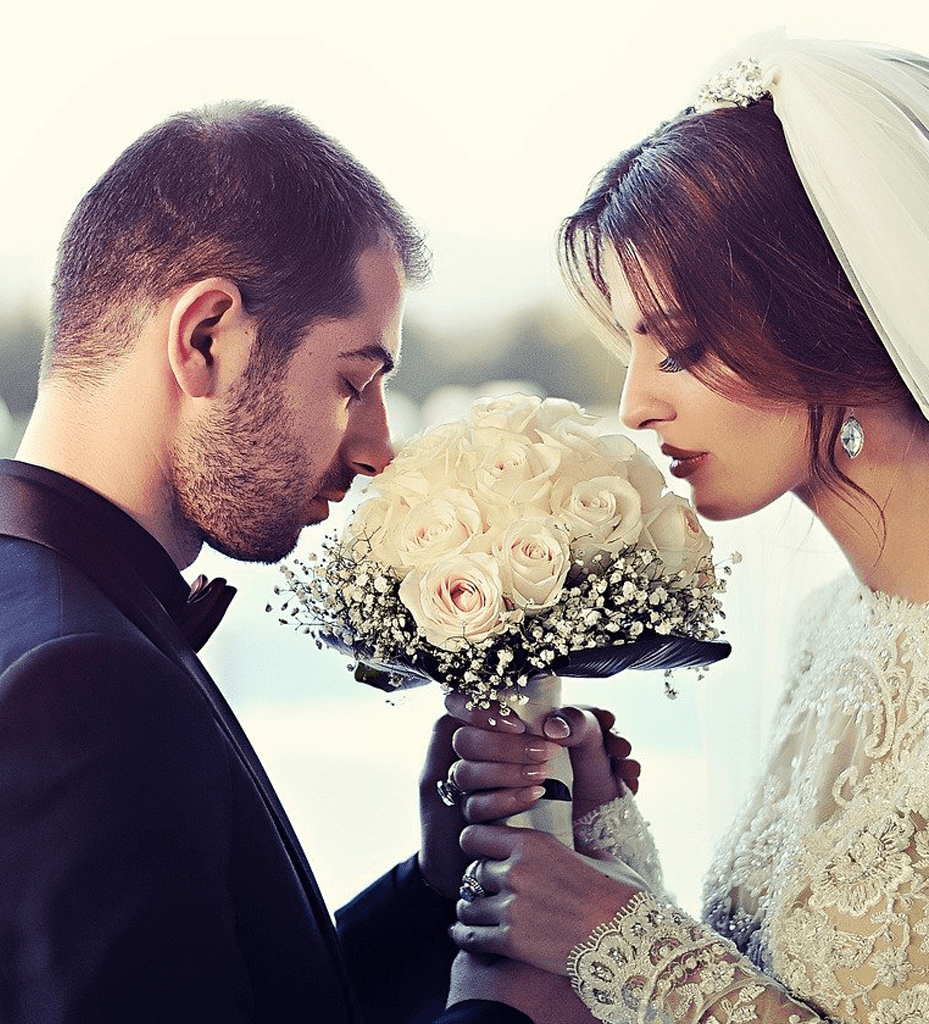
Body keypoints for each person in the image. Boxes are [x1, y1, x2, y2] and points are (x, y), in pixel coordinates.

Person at [441, 33, 929, 1023]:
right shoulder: (834, 624)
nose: (632, 406)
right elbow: (773, 975)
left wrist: (606, 931)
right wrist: (596, 831)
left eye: (683, 344)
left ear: (836, 313)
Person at [0, 100, 556, 1024]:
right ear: (208, 335)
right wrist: (518, 1006)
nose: (379, 447)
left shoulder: (55, 614)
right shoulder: (85, 686)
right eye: (353, 381)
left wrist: (432, 890)